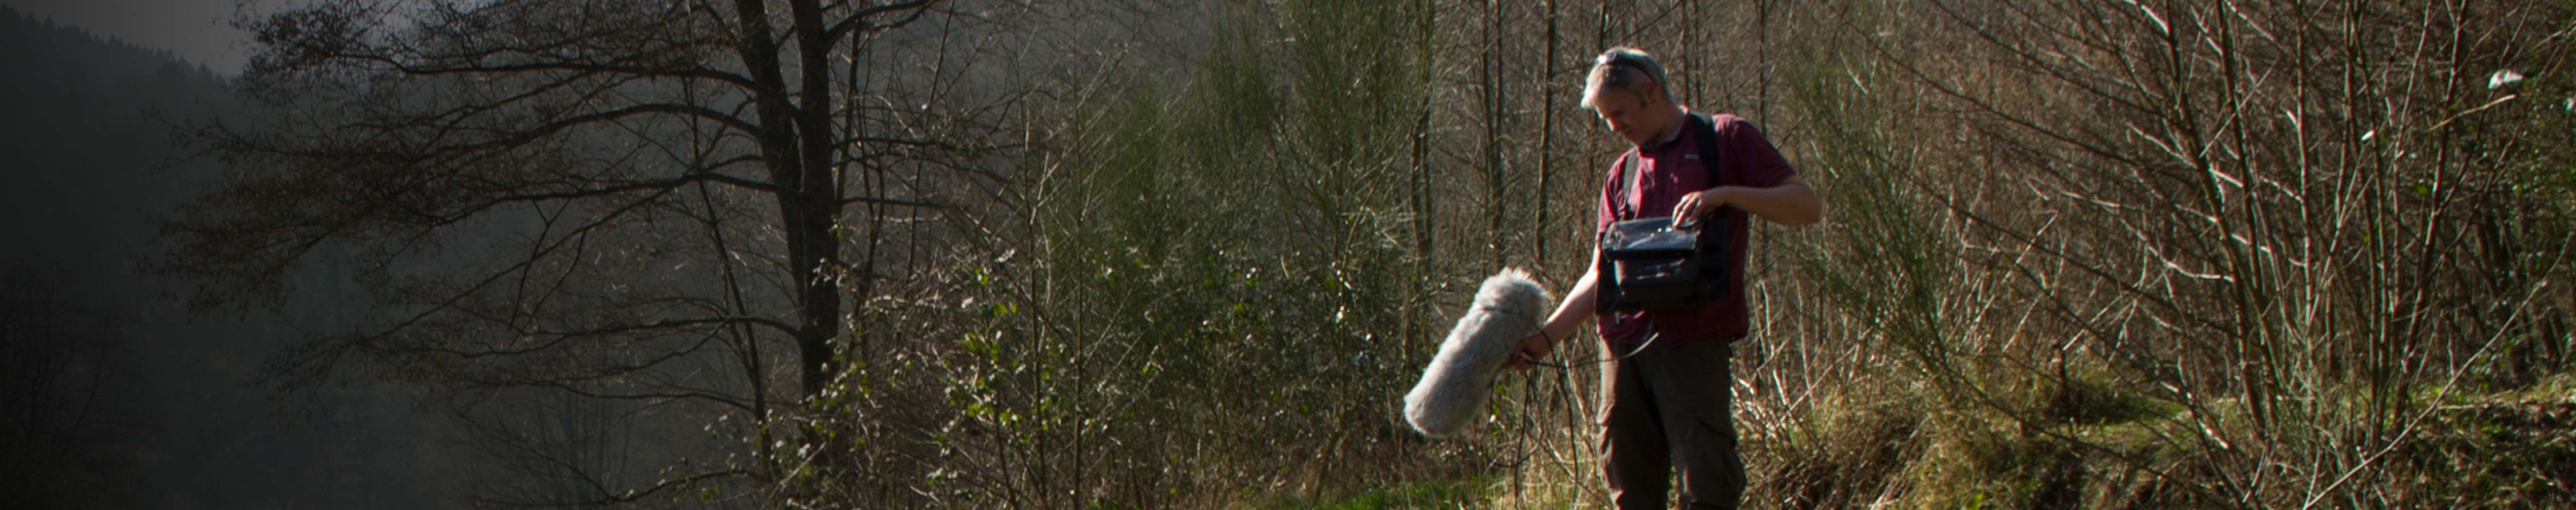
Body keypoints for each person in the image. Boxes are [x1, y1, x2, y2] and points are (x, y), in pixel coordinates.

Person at [1505, 47, 1823, 509]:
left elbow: (1806, 206)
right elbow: (1601, 273)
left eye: (1619, 112)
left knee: (1707, 484)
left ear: (1651, 92)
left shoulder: (1724, 138)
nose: (1614, 126)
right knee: (1628, 486)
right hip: (1622, 348)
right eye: (1604, 117)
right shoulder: (1623, 173)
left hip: (1693, 343)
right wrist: (1546, 339)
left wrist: (1724, 195)